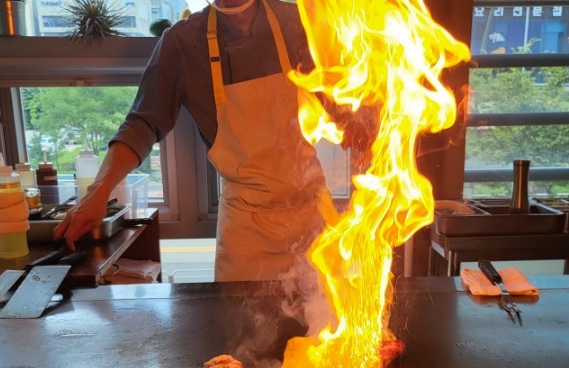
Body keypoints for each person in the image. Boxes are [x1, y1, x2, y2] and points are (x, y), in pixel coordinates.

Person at [54, 0, 371, 282]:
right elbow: (141, 124)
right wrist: (98, 192)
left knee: (325, 331)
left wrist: (361, 130)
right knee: (242, 338)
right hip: (248, 229)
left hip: (312, 215)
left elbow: (341, 101)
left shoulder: (302, 22)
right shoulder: (182, 44)